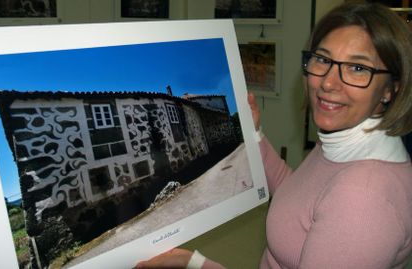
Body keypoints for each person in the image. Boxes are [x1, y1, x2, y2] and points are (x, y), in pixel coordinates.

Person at [136, 2, 412, 268]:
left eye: (357, 68)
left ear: (391, 89)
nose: (328, 81)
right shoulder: (347, 140)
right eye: (323, 59)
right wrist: (254, 133)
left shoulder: (364, 199)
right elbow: (299, 194)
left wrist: (198, 265)